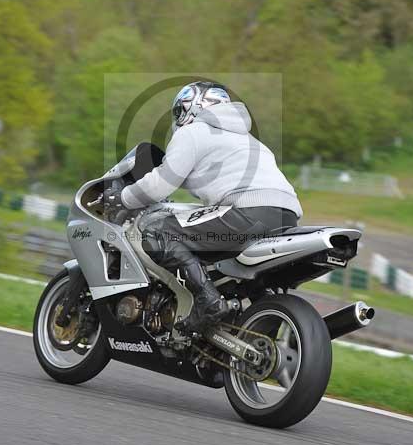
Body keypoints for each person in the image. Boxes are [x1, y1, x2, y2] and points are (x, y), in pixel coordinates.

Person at [104, 82, 302, 333]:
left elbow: (160, 184)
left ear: (191, 108)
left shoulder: (194, 132)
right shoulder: (249, 140)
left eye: (179, 112)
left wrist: (123, 197)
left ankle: (207, 302)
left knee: (156, 232)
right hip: (287, 215)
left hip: (246, 210)